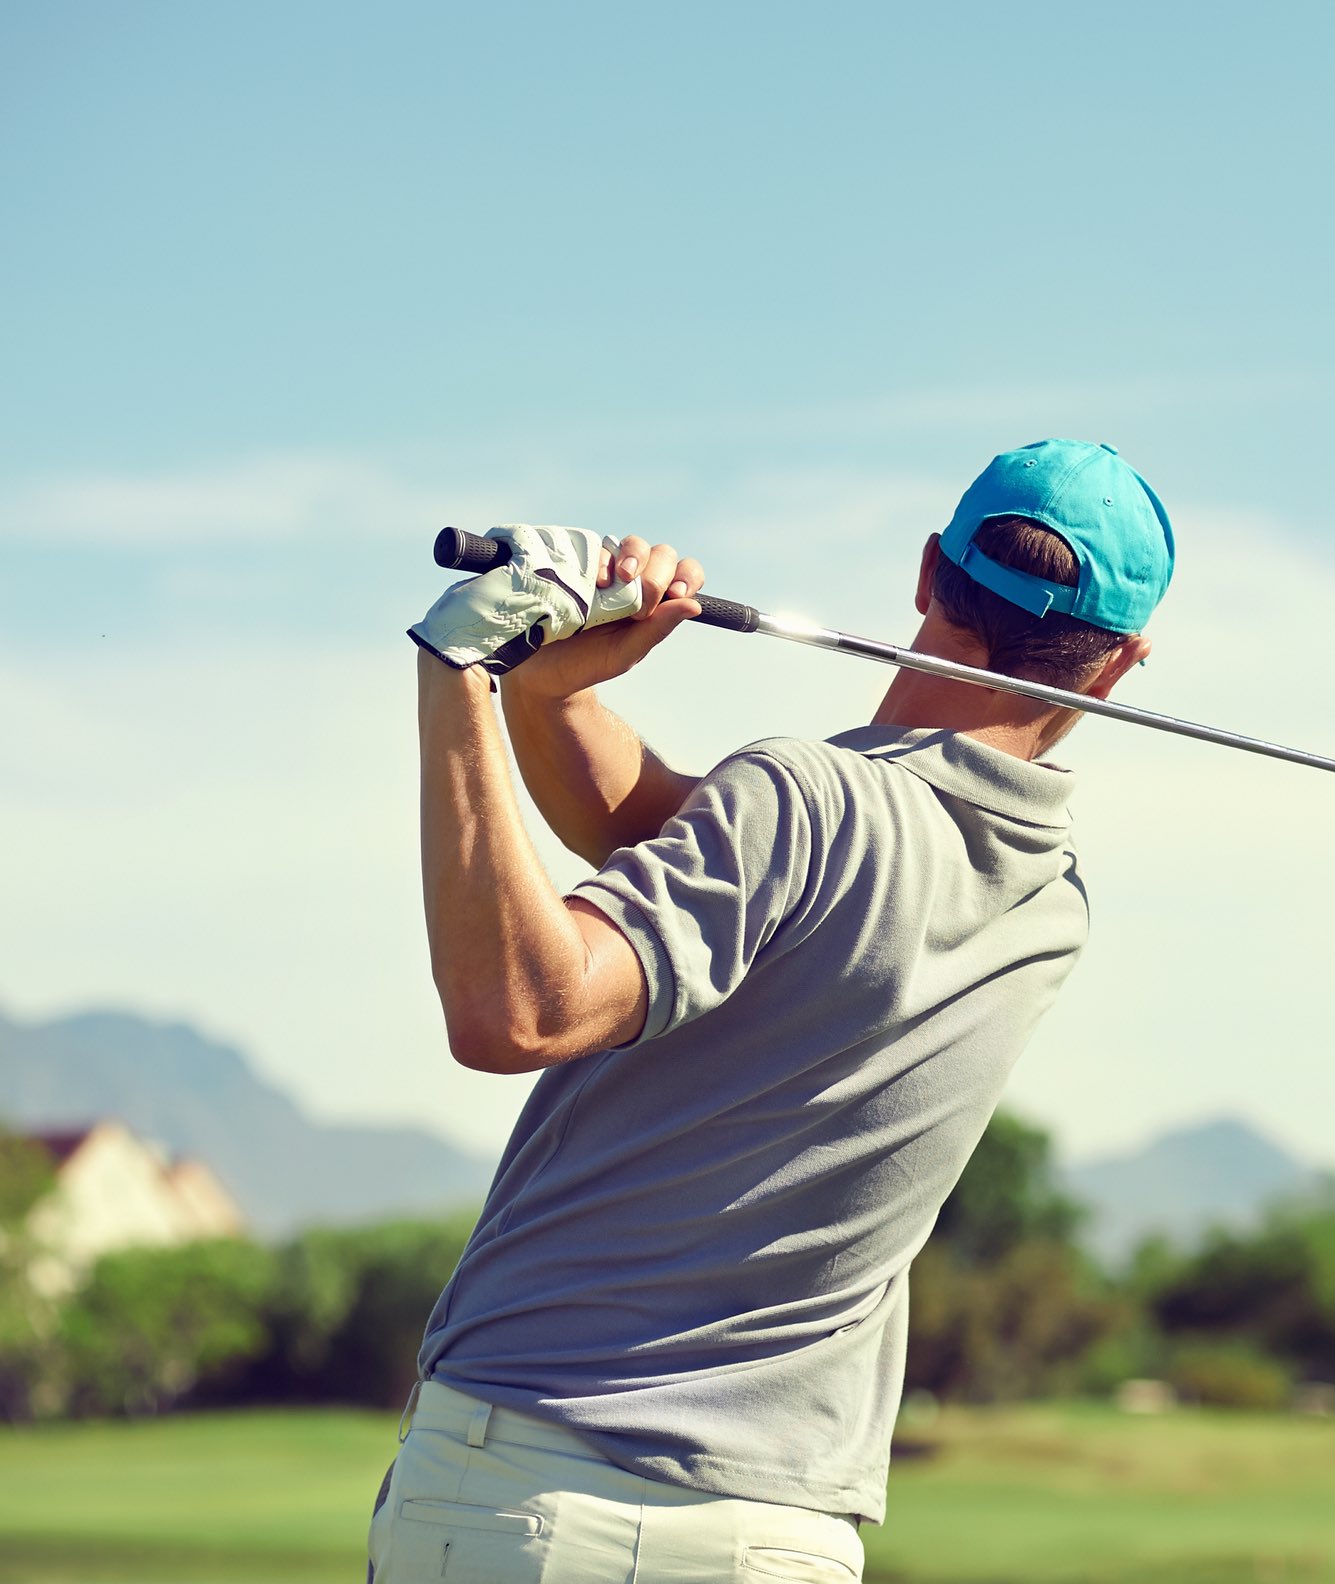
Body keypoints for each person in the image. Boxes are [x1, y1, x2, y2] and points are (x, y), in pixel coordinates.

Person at [379, 440, 1173, 1583]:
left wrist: (461, 668)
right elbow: (673, 845)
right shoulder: (1052, 902)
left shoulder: (803, 800)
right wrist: (552, 690)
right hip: (782, 1539)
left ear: (926, 571)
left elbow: (519, 1008)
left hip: (533, 1490)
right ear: (1119, 664)